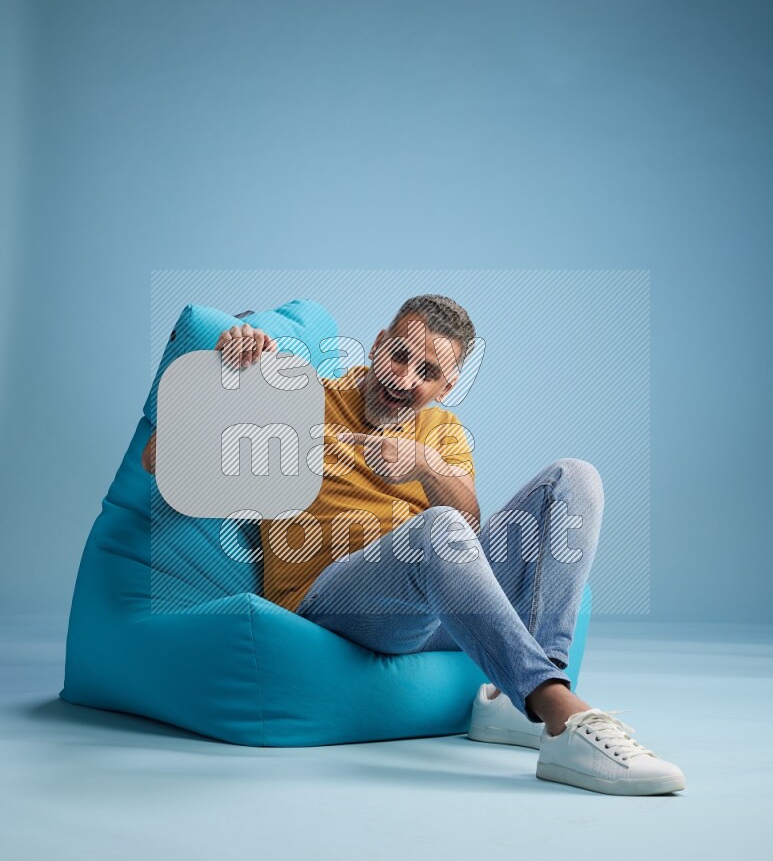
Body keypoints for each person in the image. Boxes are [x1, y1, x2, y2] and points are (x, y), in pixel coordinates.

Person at [142, 293, 685, 796]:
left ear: (446, 387)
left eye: (427, 372)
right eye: (399, 356)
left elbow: (470, 519)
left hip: (433, 607)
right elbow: (160, 461)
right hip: (335, 602)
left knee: (575, 478)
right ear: (378, 344)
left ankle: (518, 694)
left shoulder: (441, 430)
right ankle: (558, 711)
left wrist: (424, 466)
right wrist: (229, 376)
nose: (404, 379)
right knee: (438, 528)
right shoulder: (299, 397)